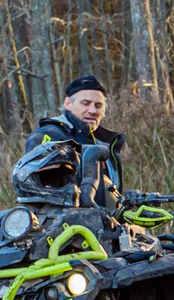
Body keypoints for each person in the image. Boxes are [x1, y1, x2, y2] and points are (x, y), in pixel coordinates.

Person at [14, 75, 126, 208]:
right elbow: (33, 186)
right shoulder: (48, 135)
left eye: (98, 105)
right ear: (68, 104)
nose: (92, 110)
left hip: (105, 224)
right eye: (85, 103)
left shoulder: (108, 144)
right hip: (62, 224)